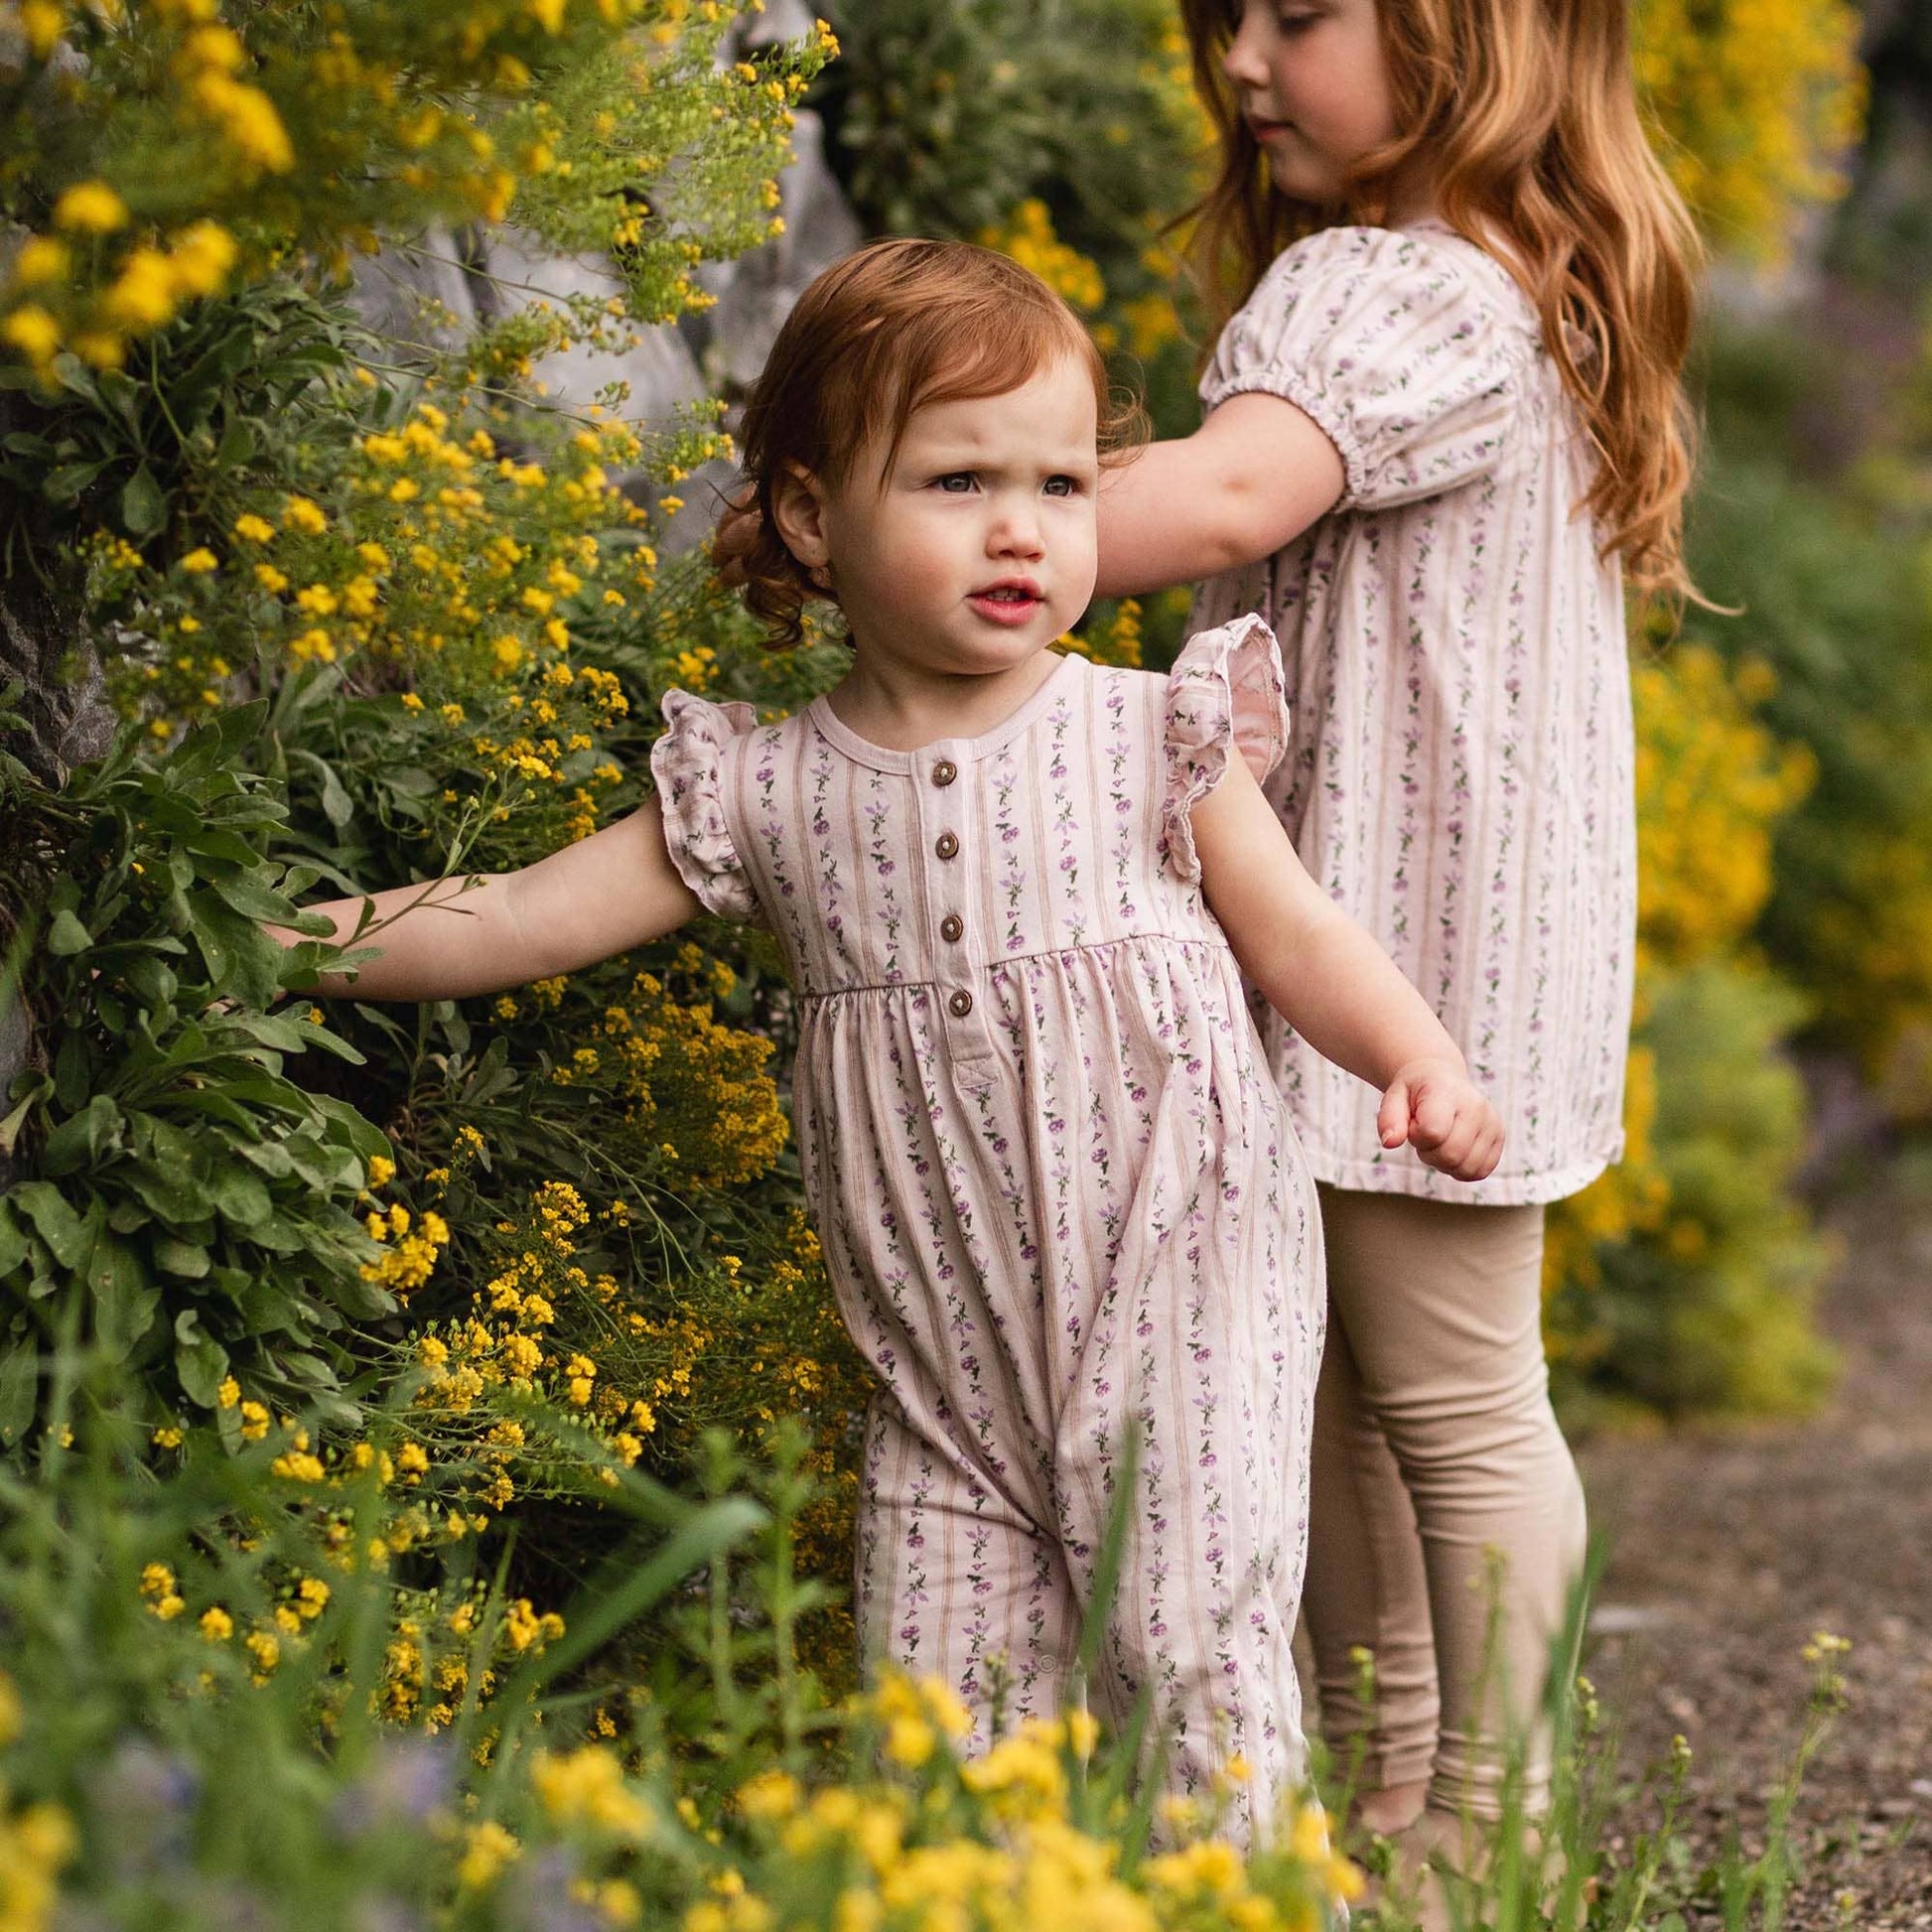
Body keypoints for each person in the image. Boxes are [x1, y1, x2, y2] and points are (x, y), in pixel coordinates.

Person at [283, 237, 1503, 1842]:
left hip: (1180, 1288)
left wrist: (1415, 1056)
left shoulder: (1145, 730)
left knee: (1191, 1654)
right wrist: (282, 945)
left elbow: (1296, 934)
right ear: (809, 516)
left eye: (1062, 484)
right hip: (938, 1362)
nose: (1022, 527)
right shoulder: (768, 787)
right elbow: (516, 915)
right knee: (941, 1714)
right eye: (954, 481)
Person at [1048, 0, 1700, 1881]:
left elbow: (1230, 495)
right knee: (1332, 1382)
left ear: (1466, 36)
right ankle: (1391, 1799)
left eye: (1299, 14)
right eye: (1222, 16)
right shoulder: (1525, 282)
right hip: (1454, 935)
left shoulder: (1388, 287)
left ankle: (1490, 1826)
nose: (1241, 61)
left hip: (1396, 952)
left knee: (1447, 1401)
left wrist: (934, 518)